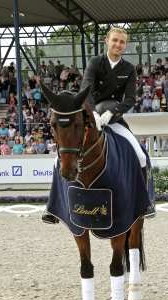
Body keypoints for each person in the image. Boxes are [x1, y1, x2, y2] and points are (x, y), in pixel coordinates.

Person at [42, 26, 153, 224]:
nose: (118, 44)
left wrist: (112, 112)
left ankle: (144, 203)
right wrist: (93, 113)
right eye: (115, 40)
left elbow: (130, 99)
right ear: (107, 41)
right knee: (60, 157)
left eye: (122, 42)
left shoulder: (128, 69)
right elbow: (86, 89)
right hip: (91, 116)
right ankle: (52, 207)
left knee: (140, 154)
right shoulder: (95, 62)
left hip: (115, 118)